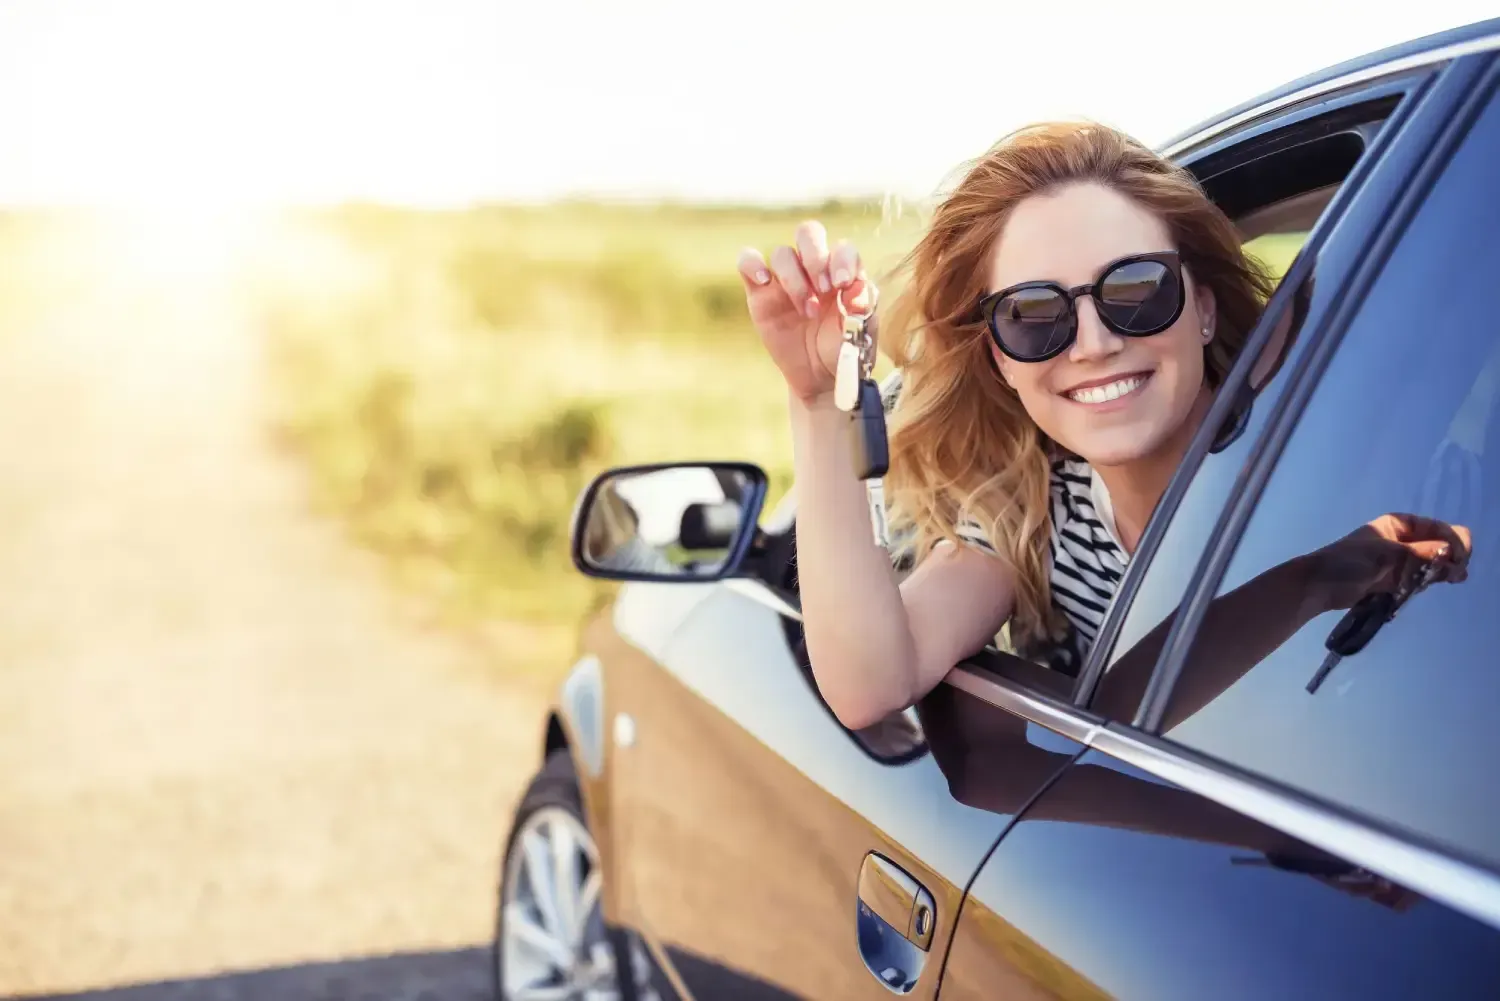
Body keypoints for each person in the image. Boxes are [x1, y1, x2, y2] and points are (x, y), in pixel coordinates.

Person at [736, 121, 1468, 731]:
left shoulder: (1333, 481)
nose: (1092, 342)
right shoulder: (1035, 511)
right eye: (1034, 315)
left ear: (1204, 307)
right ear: (999, 357)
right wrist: (816, 398)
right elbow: (870, 682)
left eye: (1136, 289)